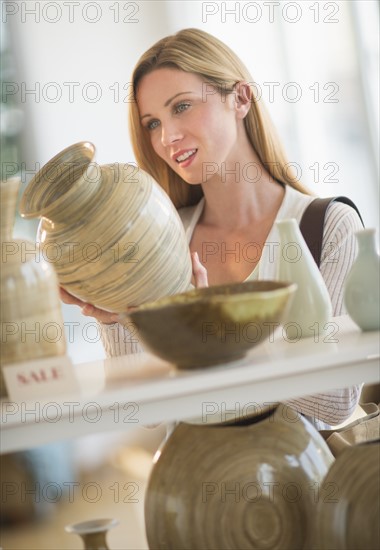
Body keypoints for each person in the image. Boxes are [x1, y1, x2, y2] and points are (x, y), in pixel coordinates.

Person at [61, 28, 363, 428]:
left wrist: (208, 341)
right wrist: (116, 318)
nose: (168, 137)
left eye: (182, 107)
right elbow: (145, 413)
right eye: (152, 123)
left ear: (240, 98)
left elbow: (336, 399)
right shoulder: (162, 242)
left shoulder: (329, 226)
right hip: (186, 479)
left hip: (298, 484)